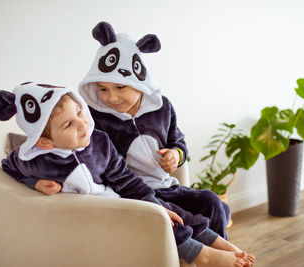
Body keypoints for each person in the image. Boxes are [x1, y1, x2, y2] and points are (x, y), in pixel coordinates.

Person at [0, 82, 253, 266]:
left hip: (120, 198)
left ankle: (215, 241)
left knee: (170, 209)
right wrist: (33, 182)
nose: (84, 124)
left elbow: (126, 181)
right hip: (94, 219)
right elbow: (9, 164)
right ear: (44, 141)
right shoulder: (37, 158)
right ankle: (202, 256)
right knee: (159, 216)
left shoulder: (99, 142)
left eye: (80, 112)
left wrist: (156, 203)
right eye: (69, 124)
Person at [78, 21, 230, 241]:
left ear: (139, 82)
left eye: (120, 87)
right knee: (186, 217)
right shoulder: (96, 119)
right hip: (131, 194)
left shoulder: (162, 107)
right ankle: (212, 254)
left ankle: (222, 259)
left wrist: (175, 155)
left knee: (212, 202)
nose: (111, 97)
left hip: (166, 187)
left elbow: (177, 141)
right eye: (103, 89)